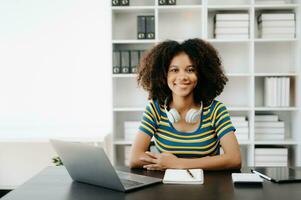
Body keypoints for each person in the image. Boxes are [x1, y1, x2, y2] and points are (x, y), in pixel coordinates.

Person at [129, 38, 241, 170]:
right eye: (174, 70)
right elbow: (135, 158)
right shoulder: (155, 109)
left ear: (201, 74)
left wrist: (177, 164)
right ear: (163, 75)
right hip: (168, 186)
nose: (182, 77)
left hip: (208, 186)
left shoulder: (216, 110)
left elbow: (234, 159)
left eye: (190, 70)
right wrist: (207, 161)